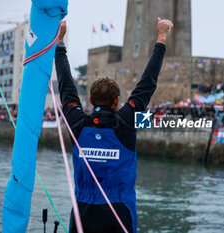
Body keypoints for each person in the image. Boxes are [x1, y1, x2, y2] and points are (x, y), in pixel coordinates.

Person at [55, 18, 173, 233]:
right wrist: (162, 37)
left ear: (90, 100)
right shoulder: (125, 122)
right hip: (119, 212)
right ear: (117, 101)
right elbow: (148, 82)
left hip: (83, 212)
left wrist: (59, 42)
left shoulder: (77, 123)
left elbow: (65, 85)